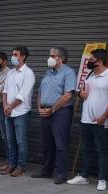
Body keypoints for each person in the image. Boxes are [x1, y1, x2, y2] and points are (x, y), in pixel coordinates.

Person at [68, 48, 108, 190]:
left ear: (100, 61)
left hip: (101, 121)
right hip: (86, 119)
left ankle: (102, 179)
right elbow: (84, 93)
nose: (89, 62)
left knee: (102, 150)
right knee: (86, 148)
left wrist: (104, 116)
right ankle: (84, 176)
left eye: (92, 60)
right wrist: (80, 94)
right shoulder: (90, 76)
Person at [34, 46, 77, 184]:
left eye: (53, 56)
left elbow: (68, 95)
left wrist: (52, 109)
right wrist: (39, 107)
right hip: (45, 111)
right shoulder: (48, 73)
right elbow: (40, 91)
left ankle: (62, 173)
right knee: (47, 143)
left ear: (61, 58)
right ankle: (46, 170)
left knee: (60, 143)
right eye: (50, 55)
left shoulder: (69, 72)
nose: (50, 58)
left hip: (60, 112)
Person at [1, 46, 35, 177]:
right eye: (13, 54)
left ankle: (21, 166)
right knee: (10, 140)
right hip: (8, 112)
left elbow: (23, 95)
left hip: (21, 112)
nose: (13, 57)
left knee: (21, 141)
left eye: (15, 54)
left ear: (23, 57)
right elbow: (5, 92)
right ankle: (11, 163)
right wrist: (5, 106)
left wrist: (10, 107)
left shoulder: (28, 73)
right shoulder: (11, 73)